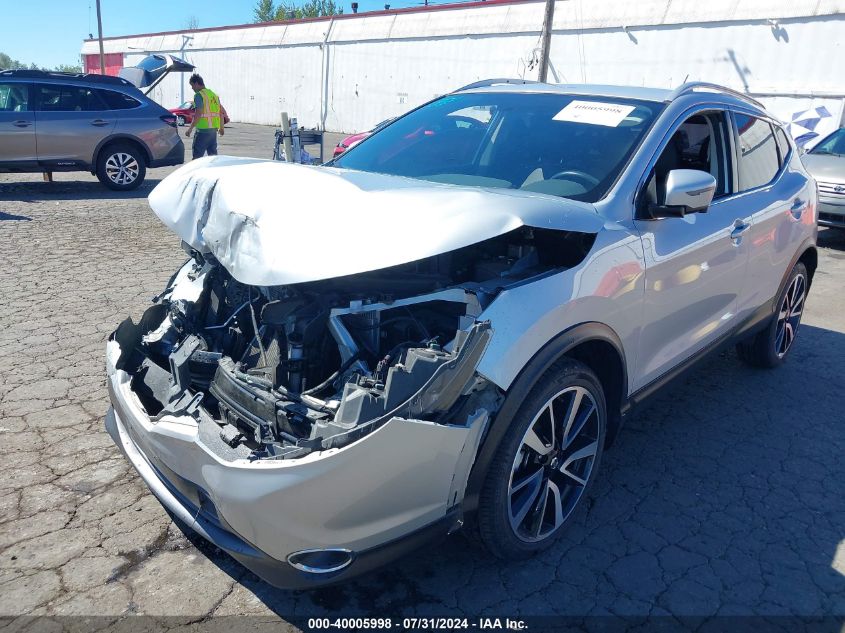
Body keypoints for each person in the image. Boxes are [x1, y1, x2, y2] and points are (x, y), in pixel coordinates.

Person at [185, 74, 224, 159]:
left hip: (202, 132)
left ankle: (196, 172)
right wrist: (221, 128)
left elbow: (198, 113)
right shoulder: (214, 95)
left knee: (197, 159)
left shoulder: (199, 95)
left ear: (196, 83)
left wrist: (190, 128)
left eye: (192, 85)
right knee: (213, 158)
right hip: (213, 132)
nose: (192, 88)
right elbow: (220, 113)